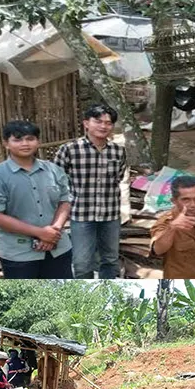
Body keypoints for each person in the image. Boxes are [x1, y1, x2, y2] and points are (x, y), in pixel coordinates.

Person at [0, 121, 74, 278]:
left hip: (58, 248)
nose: (25, 144)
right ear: (6, 143)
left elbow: (64, 201)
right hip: (19, 254)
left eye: (30, 139)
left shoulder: (53, 170)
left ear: (38, 141)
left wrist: (54, 230)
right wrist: (40, 233)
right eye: (17, 139)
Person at [53, 104, 127, 279]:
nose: (103, 126)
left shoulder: (117, 151)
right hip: (81, 215)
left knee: (110, 260)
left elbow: (119, 177)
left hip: (110, 215)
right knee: (82, 262)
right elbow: (55, 180)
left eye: (108, 123)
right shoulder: (70, 149)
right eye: (98, 121)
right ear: (86, 123)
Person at [150, 174, 195, 278]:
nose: (194, 204)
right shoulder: (166, 222)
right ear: (174, 201)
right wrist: (172, 227)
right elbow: (158, 250)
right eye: (186, 200)